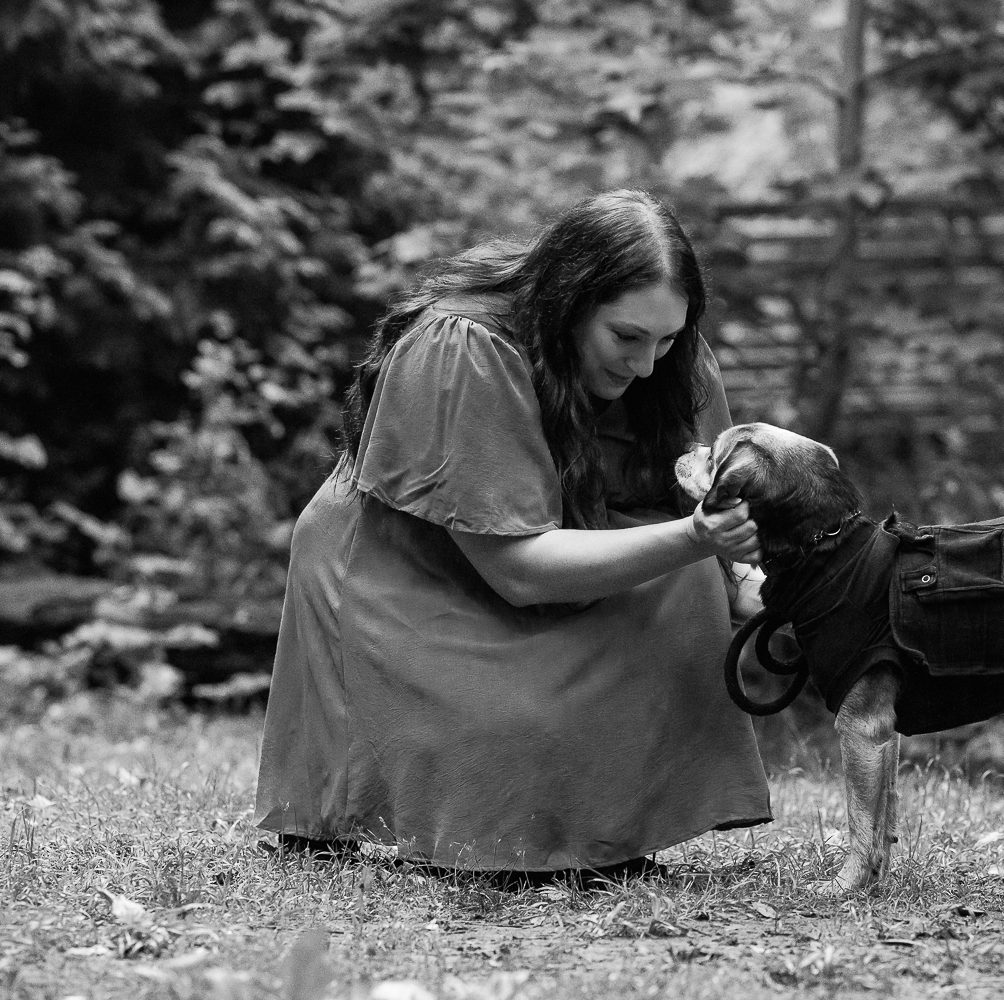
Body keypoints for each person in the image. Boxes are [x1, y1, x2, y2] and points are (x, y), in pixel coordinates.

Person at [253, 189, 773, 882]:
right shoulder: (465, 345)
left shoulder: (665, 354)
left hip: (557, 557)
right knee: (667, 566)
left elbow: (709, 500)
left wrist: (751, 582)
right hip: (414, 574)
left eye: (668, 339)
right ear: (569, 301)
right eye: (625, 338)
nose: (646, 364)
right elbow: (519, 571)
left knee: (687, 581)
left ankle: (604, 831)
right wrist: (698, 541)